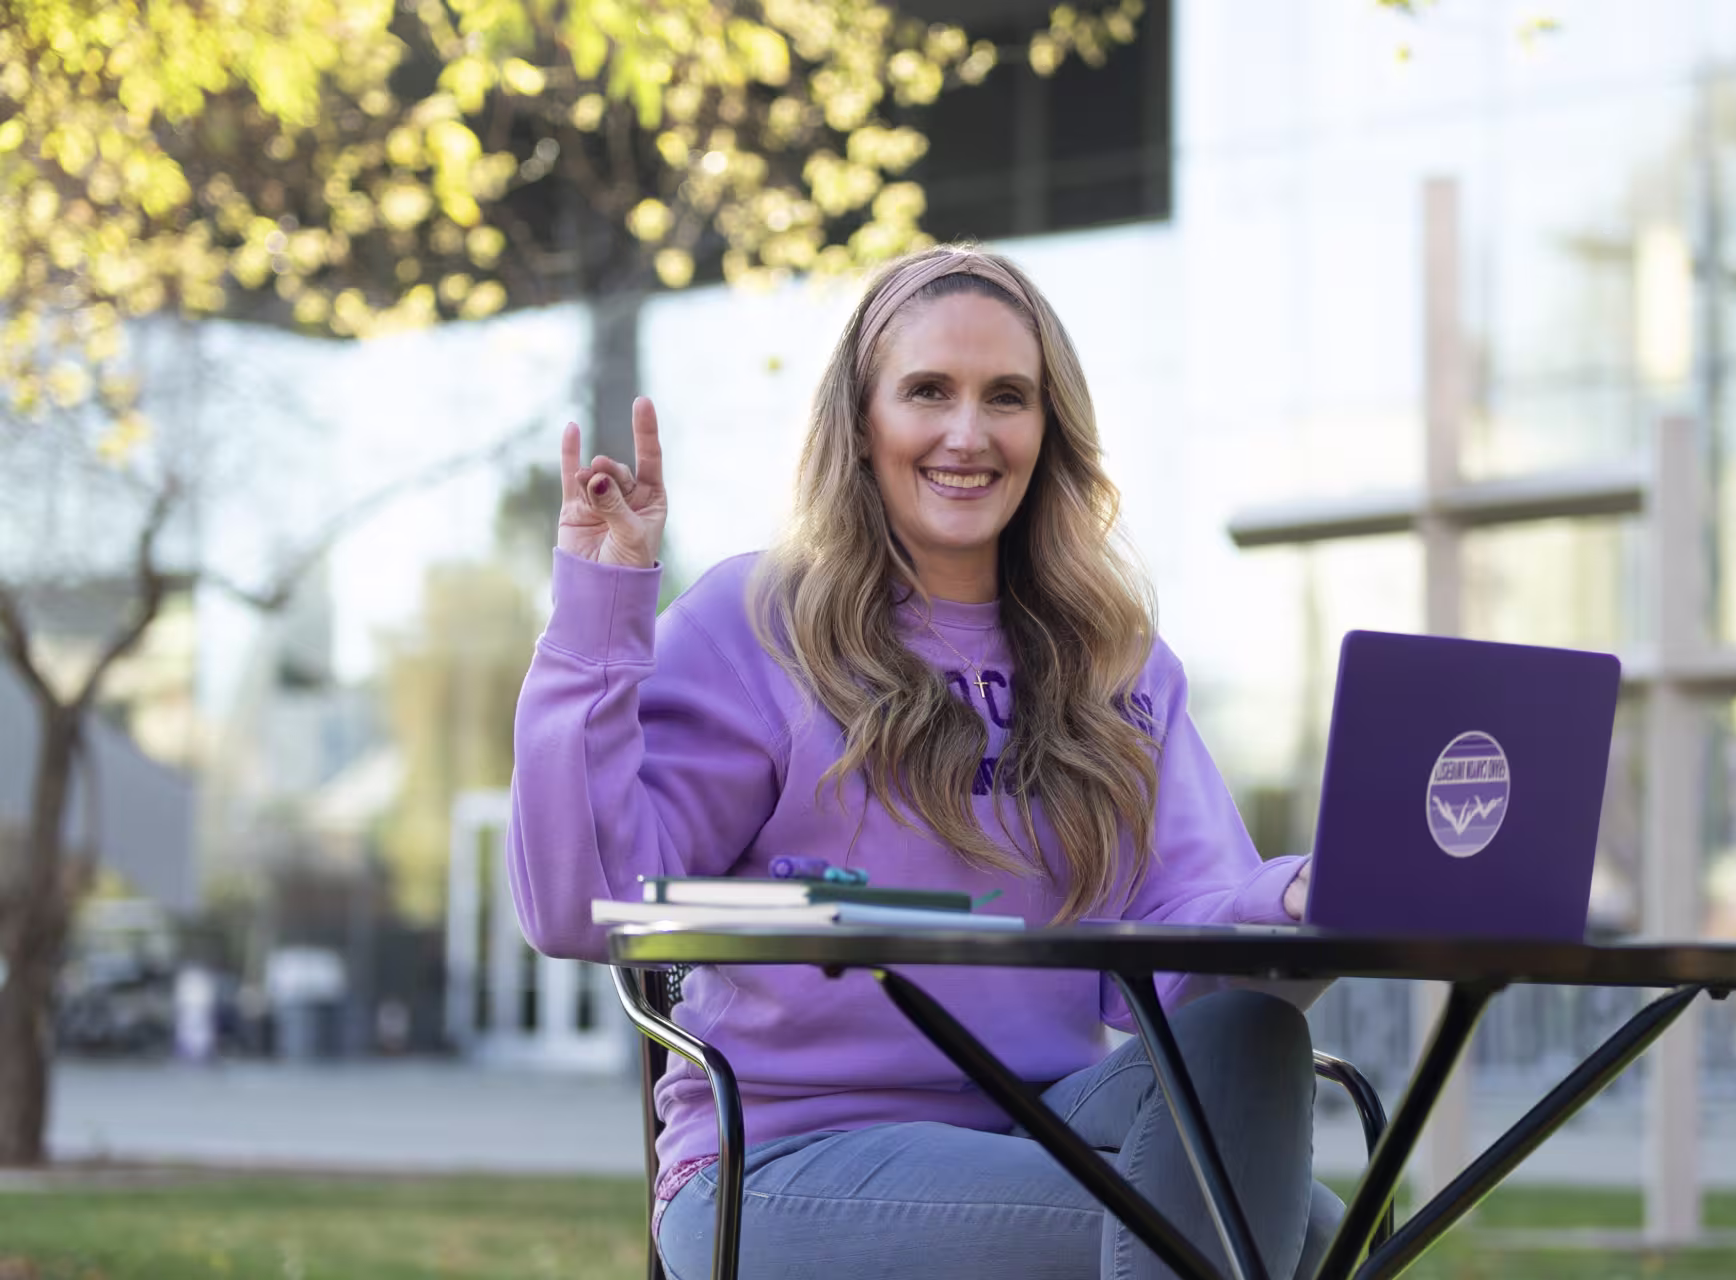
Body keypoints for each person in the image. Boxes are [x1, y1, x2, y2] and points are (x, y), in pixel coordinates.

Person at [508, 245, 1338, 1279]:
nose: (968, 431)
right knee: (1275, 1233)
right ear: (861, 419)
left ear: (1049, 428)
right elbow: (580, 901)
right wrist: (601, 606)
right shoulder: (759, 623)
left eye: (1007, 396)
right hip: (784, 1156)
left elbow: (1174, 966)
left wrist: (1301, 896)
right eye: (928, 391)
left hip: (1039, 1120)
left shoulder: (1115, 665)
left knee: (1252, 1050)